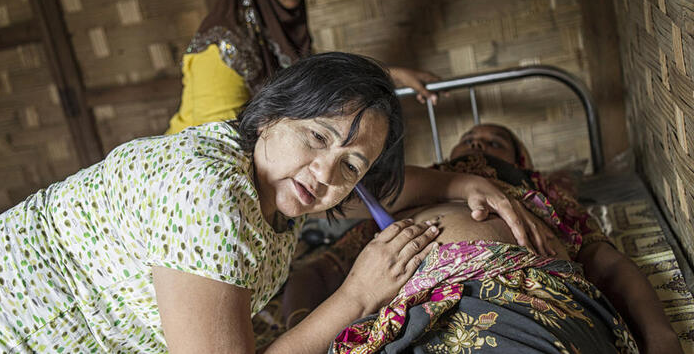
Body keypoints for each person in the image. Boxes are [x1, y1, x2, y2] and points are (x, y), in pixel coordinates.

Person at [0, 54, 542, 354]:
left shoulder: (270, 173)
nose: (325, 173)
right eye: (316, 137)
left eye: (352, 165)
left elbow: (372, 190)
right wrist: (358, 295)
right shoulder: (210, 197)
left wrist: (454, 185)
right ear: (270, 114)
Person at [281, 124, 683, 353]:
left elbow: (608, 264)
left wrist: (660, 335)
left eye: (493, 144)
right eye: (470, 141)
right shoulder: (400, 204)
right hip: (409, 316)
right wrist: (307, 324)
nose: (478, 147)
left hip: (530, 298)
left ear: (518, 163)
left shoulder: (541, 195)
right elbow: (312, 274)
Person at [165, 0, 439, 135]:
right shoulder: (221, 50)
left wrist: (389, 76)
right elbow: (219, 149)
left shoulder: (275, 34)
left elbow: (311, 89)